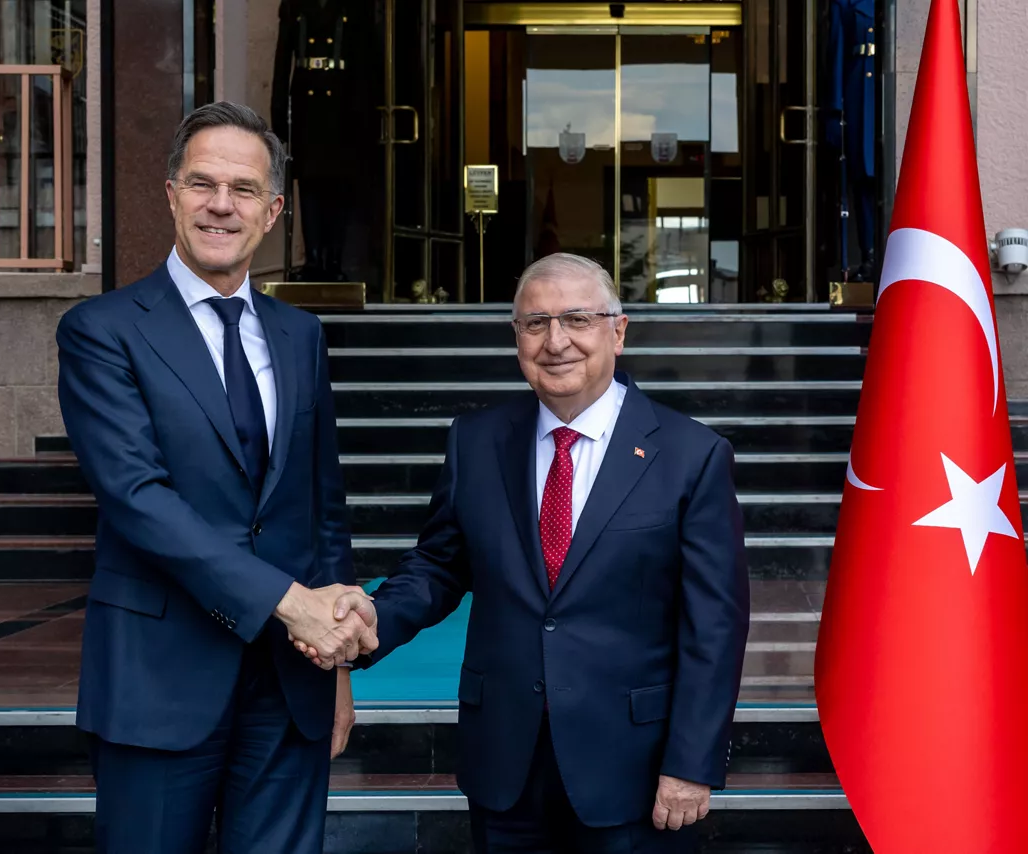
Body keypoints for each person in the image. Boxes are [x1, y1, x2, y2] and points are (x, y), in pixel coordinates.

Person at [299, 253, 750, 852]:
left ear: (618, 332)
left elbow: (715, 627)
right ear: (517, 339)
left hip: (633, 769)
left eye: (577, 319)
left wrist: (691, 762)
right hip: (505, 763)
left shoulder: (692, 455)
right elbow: (439, 566)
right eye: (535, 324)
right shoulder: (477, 441)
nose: (555, 341)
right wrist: (371, 620)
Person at [56, 101, 377, 854]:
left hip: (292, 683)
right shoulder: (102, 331)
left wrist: (337, 665)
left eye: (243, 189)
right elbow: (138, 500)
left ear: (273, 211)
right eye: (203, 183)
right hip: (159, 679)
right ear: (172, 194)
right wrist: (292, 604)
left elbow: (321, 506)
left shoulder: (300, 335)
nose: (221, 205)